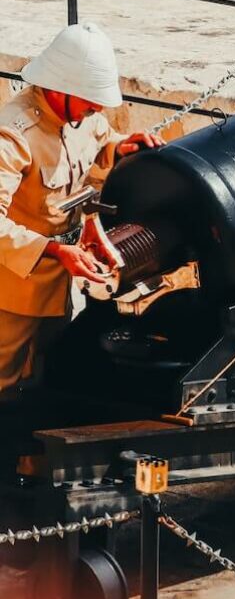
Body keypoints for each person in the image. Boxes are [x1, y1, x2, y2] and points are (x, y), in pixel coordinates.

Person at [0, 22, 164, 392]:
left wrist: (120, 148)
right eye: (91, 101)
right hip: (12, 291)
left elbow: (97, 143)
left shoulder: (82, 117)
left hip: (58, 279)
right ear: (61, 89)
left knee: (48, 375)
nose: (96, 109)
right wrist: (55, 250)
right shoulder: (13, 135)